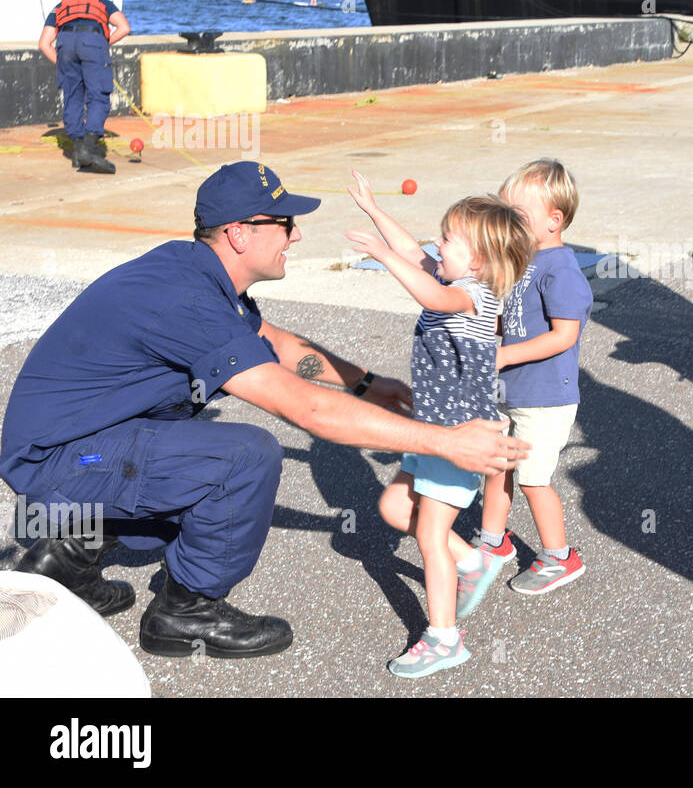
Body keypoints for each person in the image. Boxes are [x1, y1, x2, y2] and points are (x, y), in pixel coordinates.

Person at [1, 162, 528, 660]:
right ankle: (186, 611)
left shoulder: (197, 272)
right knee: (244, 456)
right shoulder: (187, 300)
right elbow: (307, 410)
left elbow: (276, 344)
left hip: (73, 441)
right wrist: (445, 441)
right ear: (239, 233)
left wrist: (366, 384)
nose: (296, 236)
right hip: (58, 459)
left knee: (177, 437)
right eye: (285, 223)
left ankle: (66, 558)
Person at [346, 175, 534, 677]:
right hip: (435, 430)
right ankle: (473, 562)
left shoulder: (471, 295)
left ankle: (443, 638)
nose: (436, 243)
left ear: (478, 261)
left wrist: (382, 258)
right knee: (392, 507)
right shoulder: (457, 279)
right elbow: (414, 253)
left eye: (448, 239)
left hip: (460, 439)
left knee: (431, 537)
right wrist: (373, 210)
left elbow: (431, 294)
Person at [476, 159, 593, 594]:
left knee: (533, 479)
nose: (508, 224)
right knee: (497, 465)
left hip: (546, 398)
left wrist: (504, 355)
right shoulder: (522, 262)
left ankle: (559, 558)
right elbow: (513, 319)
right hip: (514, 390)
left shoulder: (560, 270)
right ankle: (492, 544)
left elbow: (564, 336)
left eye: (518, 217)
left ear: (553, 221)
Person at [37, 0, 131, 175]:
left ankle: (78, 152)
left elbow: (44, 43)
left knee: (72, 96)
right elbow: (124, 27)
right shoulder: (102, 2)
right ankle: (89, 148)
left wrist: (62, 63)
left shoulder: (60, 7)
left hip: (65, 46)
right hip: (93, 41)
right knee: (98, 96)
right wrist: (103, 44)